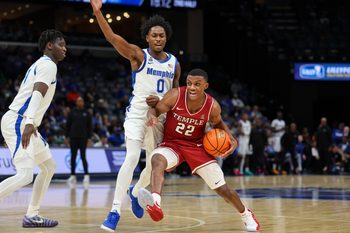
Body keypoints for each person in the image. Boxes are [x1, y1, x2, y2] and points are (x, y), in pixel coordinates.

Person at [90, 0, 181, 231]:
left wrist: (163, 107)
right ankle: (114, 211)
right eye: (154, 35)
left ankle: (134, 191)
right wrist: (98, 12)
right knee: (131, 158)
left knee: (153, 166)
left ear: (166, 37)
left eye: (162, 35)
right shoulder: (138, 56)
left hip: (159, 118)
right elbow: (112, 38)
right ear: (147, 38)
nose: (158, 39)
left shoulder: (174, 64)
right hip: (138, 115)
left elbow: (175, 94)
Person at [138, 69, 260, 232]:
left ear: (206, 86)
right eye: (189, 83)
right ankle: (155, 203)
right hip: (173, 143)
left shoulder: (212, 106)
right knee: (157, 160)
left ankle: (246, 214)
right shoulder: (175, 95)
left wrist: (231, 138)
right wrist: (152, 116)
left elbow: (218, 124)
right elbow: (155, 110)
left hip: (197, 147)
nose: (192, 87)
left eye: (197, 84)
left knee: (224, 191)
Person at [0, 29, 66, 227]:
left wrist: (32, 122)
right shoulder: (48, 65)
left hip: (25, 121)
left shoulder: (42, 64)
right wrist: (29, 122)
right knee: (26, 175)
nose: (65, 48)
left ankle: (32, 215)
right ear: (49, 46)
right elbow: (38, 92)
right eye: (61, 44)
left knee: (48, 167)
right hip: (20, 121)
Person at [66, 96, 92, 187]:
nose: (80, 102)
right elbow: (68, 125)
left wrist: (89, 138)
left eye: (81, 101)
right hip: (73, 138)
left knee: (83, 156)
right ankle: (73, 175)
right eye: (78, 101)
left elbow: (90, 127)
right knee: (73, 157)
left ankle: (86, 175)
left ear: (83, 103)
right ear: (76, 103)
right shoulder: (72, 113)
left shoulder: (87, 113)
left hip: (83, 138)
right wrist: (66, 136)